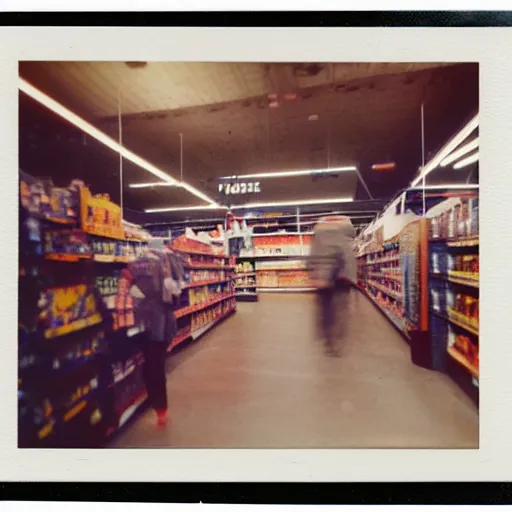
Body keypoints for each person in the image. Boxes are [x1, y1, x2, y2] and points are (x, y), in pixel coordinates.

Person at [122, 238, 180, 428]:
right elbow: (177, 294)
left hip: (146, 323)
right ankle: (160, 408)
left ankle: (159, 406)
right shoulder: (170, 263)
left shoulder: (138, 264)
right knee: (156, 365)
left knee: (151, 365)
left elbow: (126, 283)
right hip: (164, 324)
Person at [307, 216, 357, 356]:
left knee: (326, 312)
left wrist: (312, 273)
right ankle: (335, 341)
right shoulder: (343, 237)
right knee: (340, 312)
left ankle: (328, 340)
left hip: (324, 281)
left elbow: (312, 257)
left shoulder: (318, 237)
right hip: (341, 280)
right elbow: (349, 259)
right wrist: (351, 277)